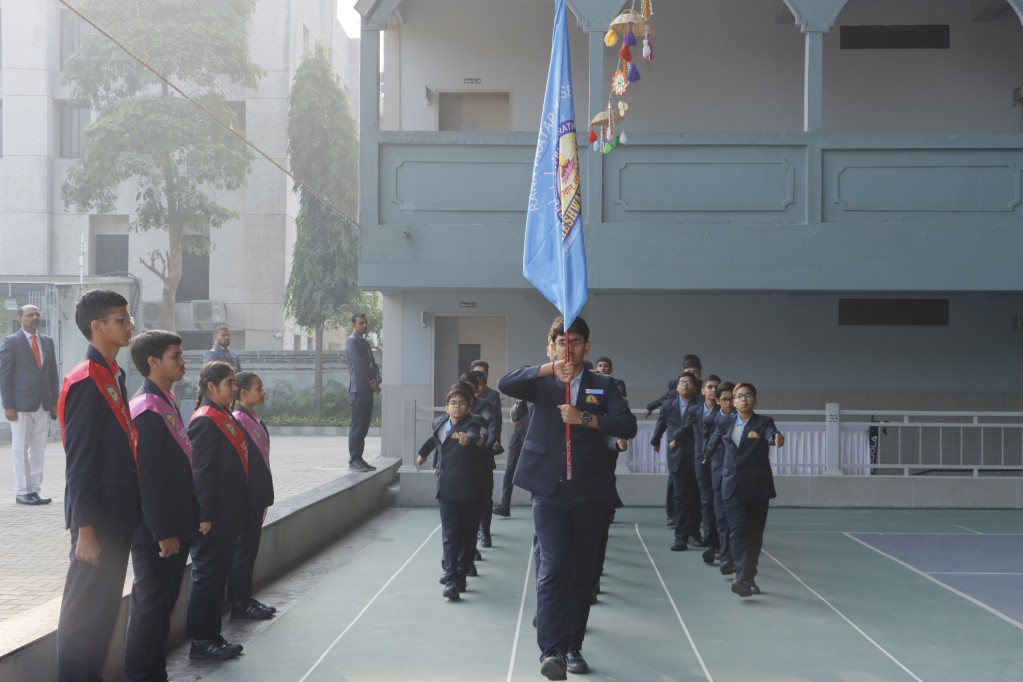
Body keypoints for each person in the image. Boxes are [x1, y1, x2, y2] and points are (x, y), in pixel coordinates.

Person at [499, 315, 636, 681]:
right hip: (549, 491)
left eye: (575, 342)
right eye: (561, 342)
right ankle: (552, 651)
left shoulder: (604, 385)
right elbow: (504, 382)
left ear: (586, 347)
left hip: (590, 491)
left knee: (582, 574)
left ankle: (573, 646)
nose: (568, 349)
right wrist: (548, 369)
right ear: (551, 347)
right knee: (554, 566)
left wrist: (585, 418)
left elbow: (627, 425)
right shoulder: (541, 382)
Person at [55, 289, 141, 680]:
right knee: (84, 615)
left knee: (103, 612)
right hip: (97, 521)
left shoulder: (111, 374)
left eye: (128, 318)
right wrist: (85, 530)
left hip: (116, 515)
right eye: (121, 319)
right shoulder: (86, 380)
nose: (130, 325)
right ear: (98, 326)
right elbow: (81, 461)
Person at [124, 330, 200, 682]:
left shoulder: (164, 400)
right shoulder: (146, 409)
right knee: (151, 607)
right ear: (153, 362)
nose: (183, 362)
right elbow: (149, 479)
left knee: (162, 606)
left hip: (174, 525)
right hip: (157, 532)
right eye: (175, 356)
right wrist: (164, 533)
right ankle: (142, 675)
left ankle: (155, 672)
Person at [186, 361, 248, 660]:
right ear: (211, 386)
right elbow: (201, 473)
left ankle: (213, 635)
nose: (234, 388)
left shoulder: (222, 415)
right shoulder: (205, 420)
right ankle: (201, 641)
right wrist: (204, 515)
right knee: (207, 578)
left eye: (234, 383)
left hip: (227, 516)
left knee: (217, 578)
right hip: (213, 518)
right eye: (229, 383)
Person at [715, 381, 785, 598]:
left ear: (755, 399)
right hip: (732, 485)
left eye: (748, 395)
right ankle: (742, 577)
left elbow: (771, 434)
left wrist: (776, 439)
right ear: (733, 401)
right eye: (739, 396)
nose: (743, 399)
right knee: (737, 531)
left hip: (757, 487)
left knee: (754, 533)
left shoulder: (764, 422)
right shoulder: (724, 422)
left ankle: (748, 577)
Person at [416, 385, 485, 600]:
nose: (457, 407)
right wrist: (422, 455)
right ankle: (452, 579)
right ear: (446, 408)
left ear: (469, 408)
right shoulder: (439, 424)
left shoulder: (473, 424)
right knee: (450, 535)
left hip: (470, 489)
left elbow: (474, 435)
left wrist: (467, 440)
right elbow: (433, 441)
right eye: (453, 403)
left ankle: (461, 573)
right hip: (446, 488)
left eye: (462, 403)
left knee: (468, 536)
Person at [0, 304, 60, 505]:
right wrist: (8, 404)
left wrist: (54, 401)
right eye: (30, 314)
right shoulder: (11, 342)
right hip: (20, 405)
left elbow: (53, 374)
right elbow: (4, 375)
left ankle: (34, 489)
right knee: (20, 448)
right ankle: (22, 491)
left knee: (38, 449)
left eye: (37, 314)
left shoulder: (47, 341)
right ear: (20, 318)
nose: (34, 317)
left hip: (43, 404)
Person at [230, 371, 276, 620]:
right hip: (247, 498)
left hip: (257, 495)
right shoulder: (239, 419)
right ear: (244, 393)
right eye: (258, 388)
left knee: (249, 550)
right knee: (243, 551)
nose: (263, 391)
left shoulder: (252, 417)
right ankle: (239, 603)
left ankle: (245, 598)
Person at [651, 372, 702, 551]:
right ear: (677, 386)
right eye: (682, 382)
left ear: (695, 387)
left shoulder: (700, 404)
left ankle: (694, 533)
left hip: (696, 456)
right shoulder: (668, 405)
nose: (685, 385)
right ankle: (680, 537)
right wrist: (655, 440)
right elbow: (662, 423)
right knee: (680, 498)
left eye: (689, 382)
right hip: (677, 457)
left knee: (696, 497)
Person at [705, 381, 736, 575]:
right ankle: (725, 557)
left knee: (735, 522)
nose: (729, 403)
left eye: (732, 399)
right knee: (721, 519)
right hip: (718, 474)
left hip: (736, 477)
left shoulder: (741, 419)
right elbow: (710, 441)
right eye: (724, 399)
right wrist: (706, 454)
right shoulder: (714, 418)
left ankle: (733, 558)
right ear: (717, 401)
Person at [346, 312, 380, 472]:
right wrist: (372, 382)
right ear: (353, 325)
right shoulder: (351, 342)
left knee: (364, 427)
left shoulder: (365, 343)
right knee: (357, 426)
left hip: (368, 390)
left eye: (365, 323)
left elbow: (373, 364)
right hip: (358, 390)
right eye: (361, 323)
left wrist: (378, 379)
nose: (364, 326)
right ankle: (354, 460)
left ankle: (359, 458)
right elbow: (360, 367)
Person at [695, 374, 722, 562]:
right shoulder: (695, 411)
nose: (713, 390)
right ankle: (709, 542)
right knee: (706, 503)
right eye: (710, 387)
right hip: (701, 464)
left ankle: (720, 542)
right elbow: (685, 429)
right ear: (702, 390)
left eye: (716, 388)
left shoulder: (725, 412)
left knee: (719, 504)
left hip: (720, 464)